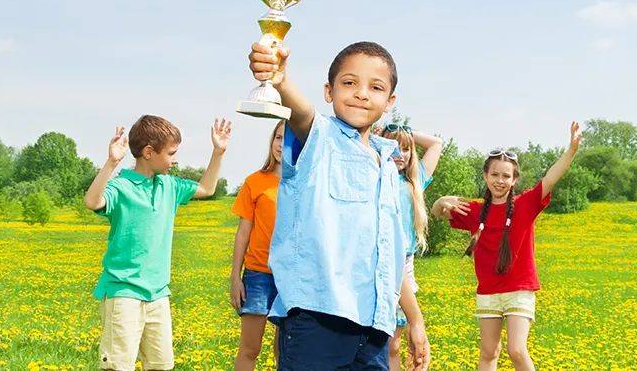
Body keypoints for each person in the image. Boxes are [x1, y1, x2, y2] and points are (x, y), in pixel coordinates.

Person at [247, 40, 431, 370]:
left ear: (390, 101)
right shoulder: (318, 138)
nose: (361, 93)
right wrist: (280, 78)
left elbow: (390, 255)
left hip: (375, 328)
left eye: (375, 87)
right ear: (328, 91)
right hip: (317, 320)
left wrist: (415, 320)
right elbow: (302, 113)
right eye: (349, 83)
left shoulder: (389, 166)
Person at [84, 115, 232, 371]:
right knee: (117, 366)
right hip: (123, 293)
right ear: (149, 152)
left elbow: (207, 189)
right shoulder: (121, 187)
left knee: (162, 365)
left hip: (158, 295)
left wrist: (218, 152)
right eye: (171, 153)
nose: (175, 160)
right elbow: (92, 202)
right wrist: (111, 163)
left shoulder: (169, 186)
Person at [431, 122, 582, 371]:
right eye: (495, 175)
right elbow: (439, 214)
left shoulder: (526, 205)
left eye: (506, 176)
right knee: (489, 352)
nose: (500, 181)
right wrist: (440, 201)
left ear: (514, 180)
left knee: (516, 349)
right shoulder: (475, 210)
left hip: (519, 289)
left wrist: (572, 150)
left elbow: (552, 176)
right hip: (488, 291)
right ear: (485, 176)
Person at [379, 124, 442, 371]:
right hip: (381, 258)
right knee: (381, 339)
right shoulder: (375, 175)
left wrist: (403, 133)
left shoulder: (415, 181)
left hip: (405, 262)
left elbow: (436, 143)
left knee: (394, 342)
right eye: (394, 147)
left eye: (406, 149)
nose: (400, 154)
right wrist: (381, 138)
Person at [229, 121, 285, 370]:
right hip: (258, 274)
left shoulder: (306, 183)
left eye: (289, 139)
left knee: (285, 351)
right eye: (278, 138)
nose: (282, 145)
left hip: (293, 277)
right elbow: (243, 232)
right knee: (250, 349)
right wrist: (235, 277)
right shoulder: (255, 181)